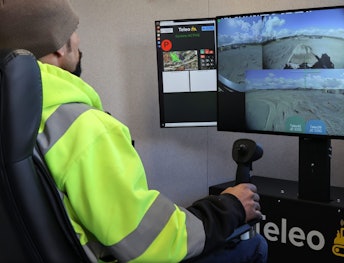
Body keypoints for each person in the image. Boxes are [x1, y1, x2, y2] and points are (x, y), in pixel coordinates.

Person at [0, 1, 268, 262]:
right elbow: (148, 243)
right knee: (253, 245)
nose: (79, 40)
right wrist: (230, 207)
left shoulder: (15, 116)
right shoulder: (83, 127)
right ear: (60, 46)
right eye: (73, 29)